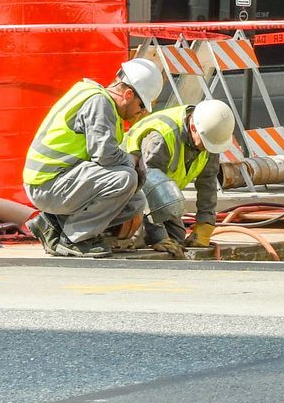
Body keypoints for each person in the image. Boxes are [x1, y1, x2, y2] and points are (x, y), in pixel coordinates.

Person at [23, 58, 163, 258]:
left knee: (135, 200)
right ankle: (75, 240)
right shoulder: (99, 103)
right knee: (125, 179)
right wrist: (133, 164)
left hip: (57, 181)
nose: (140, 113)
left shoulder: (97, 98)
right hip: (48, 184)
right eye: (141, 106)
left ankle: (52, 225)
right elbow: (105, 156)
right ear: (128, 94)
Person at [121, 98, 235, 256]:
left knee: (177, 238)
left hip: (158, 196)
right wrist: (158, 237)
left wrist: (205, 226)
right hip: (127, 194)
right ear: (193, 128)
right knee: (140, 237)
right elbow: (147, 185)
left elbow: (207, 184)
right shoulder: (161, 138)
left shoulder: (209, 138)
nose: (207, 149)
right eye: (206, 143)